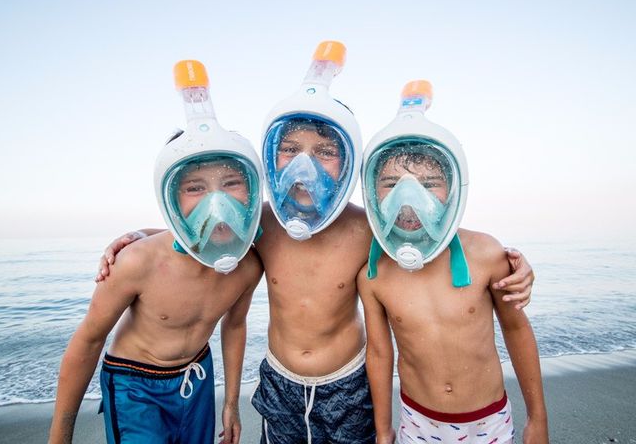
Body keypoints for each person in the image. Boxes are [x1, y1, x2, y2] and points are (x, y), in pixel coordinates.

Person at [97, 47, 537, 443]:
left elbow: (426, 231)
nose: (304, 167)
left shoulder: (368, 229)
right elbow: (210, 226)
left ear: (349, 162)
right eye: (290, 149)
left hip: (348, 380)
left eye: (325, 151)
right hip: (280, 378)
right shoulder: (263, 223)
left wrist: (512, 265)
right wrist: (144, 234)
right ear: (271, 156)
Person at [49, 60, 265, 444]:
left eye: (231, 183)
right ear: (170, 197)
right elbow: (87, 341)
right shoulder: (137, 262)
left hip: (197, 377)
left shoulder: (249, 265)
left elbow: (234, 324)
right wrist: (59, 436)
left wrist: (230, 402)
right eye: (195, 188)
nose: (216, 205)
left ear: (252, 189)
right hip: (135, 384)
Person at [358, 81, 548, 443]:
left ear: (454, 188)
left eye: (429, 183)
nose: (408, 198)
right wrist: (383, 430)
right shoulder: (374, 274)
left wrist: (537, 419)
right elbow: (380, 352)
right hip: (417, 420)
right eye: (391, 183)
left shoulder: (486, 254)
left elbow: (517, 330)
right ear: (370, 190)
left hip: (487, 421)